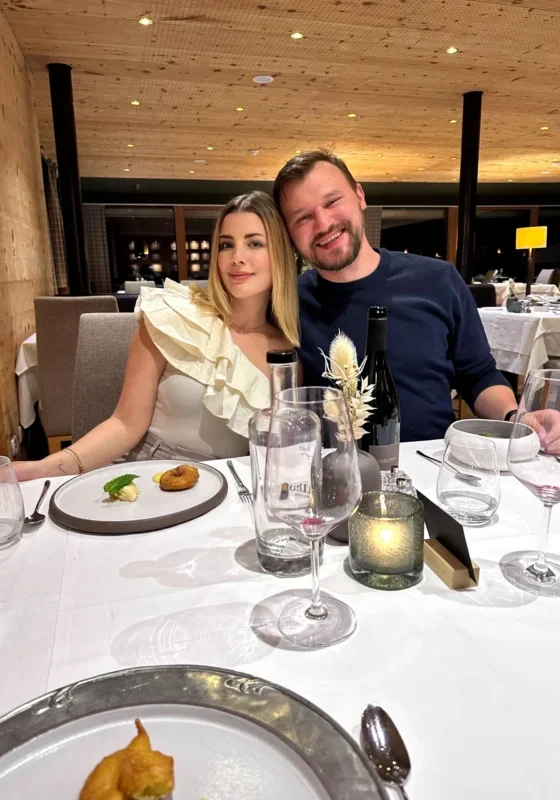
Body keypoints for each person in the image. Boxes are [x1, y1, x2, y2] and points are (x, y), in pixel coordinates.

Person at [15, 191, 299, 481]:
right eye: (226, 245)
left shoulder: (287, 355)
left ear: (281, 254)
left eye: (254, 243)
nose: (237, 258)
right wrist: (41, 468)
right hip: (150, 475)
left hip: (231, 490)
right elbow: (124, 424)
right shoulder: (174, 316)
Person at [272, 150, 519, 443]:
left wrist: (516, 419)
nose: (323, 224)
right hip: (336, 467)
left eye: (332, 202)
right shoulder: (288, 303)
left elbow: (478, 375)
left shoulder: (438, 280)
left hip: (430, 463)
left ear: (359, 196)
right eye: (303, 218)